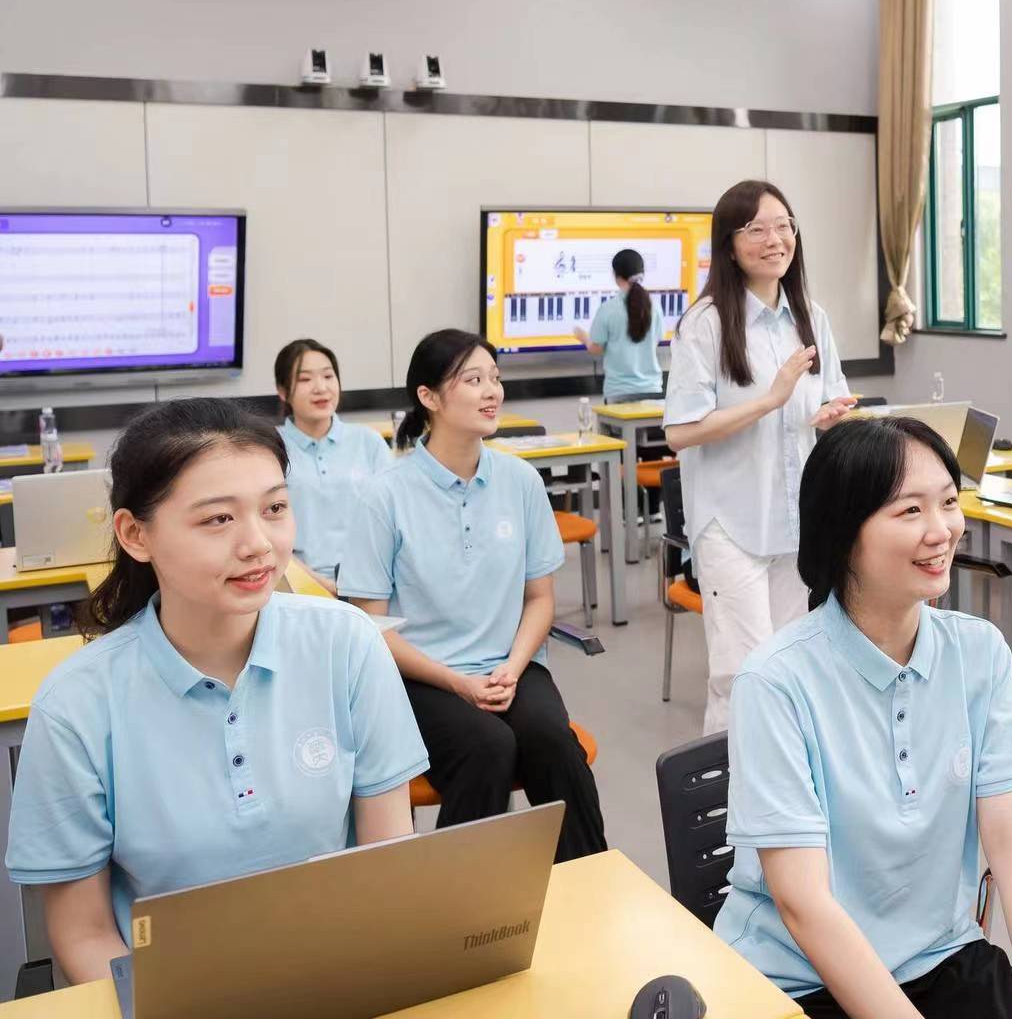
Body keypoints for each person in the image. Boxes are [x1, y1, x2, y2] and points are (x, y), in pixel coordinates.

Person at [6, 398, 426, 984]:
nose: (258, 544)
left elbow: (388, 864)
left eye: (274, 508)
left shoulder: (347, 643)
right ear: (135, 534)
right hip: (173, 996)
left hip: (341, 975)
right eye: (218, 519)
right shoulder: (76, 705)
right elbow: (85, 934)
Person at [715, 417, 1012, 1019]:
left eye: (949, 502)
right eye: (910, 511)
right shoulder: (774, 683)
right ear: (842, 531)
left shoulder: (979, 653)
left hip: (939, 956)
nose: (942, 530)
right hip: (799, 977)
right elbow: (803, 905)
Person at [339, 328, 606, 862]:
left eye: (495, 378)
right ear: (429, 397)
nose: (492, 392)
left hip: (510, 665)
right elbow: (369, 628)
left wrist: (513, 666)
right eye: (473, 380)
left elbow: (540, 600)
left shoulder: (521, 481)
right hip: (421, 676)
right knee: (487, 747)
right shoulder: (384, 495)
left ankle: (592, 878)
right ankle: (458, 902)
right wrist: (457, 683)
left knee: (553, 743)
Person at [664, 180, 857, 733]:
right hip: (732, 526)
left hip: (796, 521)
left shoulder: (811, 316)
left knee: (793, 670)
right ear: (729, 245)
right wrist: (770, 400)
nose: (774, 240)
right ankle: (731, 788)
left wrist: (830, 415)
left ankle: (786, 780)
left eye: (783, 226)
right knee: (742, 676)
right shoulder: (705, 323)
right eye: (756, 229)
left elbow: (830, 397)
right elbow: (680, 432)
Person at [273, 338, 391, 591]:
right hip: (296, 585)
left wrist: (362, 585)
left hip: (371, 582)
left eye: (328, 376)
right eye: (305, 379)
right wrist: (324, 586)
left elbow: (394, 522)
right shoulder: (270, 448)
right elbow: (267, 535)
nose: (321, 388)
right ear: (283, 391)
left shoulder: (368, 442)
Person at [572, 247, 665, 402]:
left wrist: (583, 337)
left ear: (616, 276)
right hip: (653, 392)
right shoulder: (655, 307)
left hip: (619, 394)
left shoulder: (608, 309)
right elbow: (654, 343)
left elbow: (596, 349)